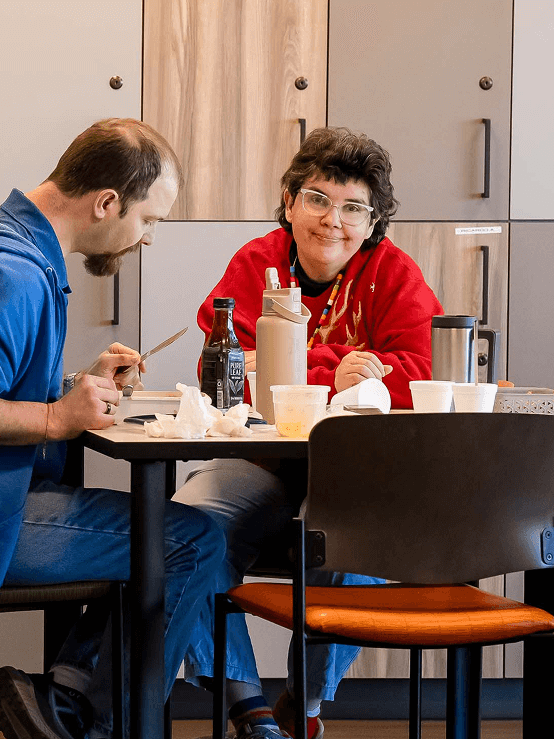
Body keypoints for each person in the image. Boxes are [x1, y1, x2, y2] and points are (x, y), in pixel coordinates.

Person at [0, 118, 226, 739]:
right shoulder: (11, 271)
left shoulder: (15, 244)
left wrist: (70, 390)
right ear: (107, 203)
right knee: (189, 541)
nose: (146, 240)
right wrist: (53, 418)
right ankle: (92, 726)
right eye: (148, 221)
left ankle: (66, 704)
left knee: (161, 536)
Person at [174, 127, 443, 739]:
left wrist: (296, 374)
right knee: (184, 525)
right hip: (261, 462)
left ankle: (306, 707)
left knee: (357, 536)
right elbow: (226, 372)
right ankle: (251, 714)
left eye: (354, 207)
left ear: (373, 222)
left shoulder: (395, 272)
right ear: (291, 201)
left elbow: (422, 373)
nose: (333, 221)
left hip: (354, 469)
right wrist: (343, 370)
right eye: (318, 199)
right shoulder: (256, 261)